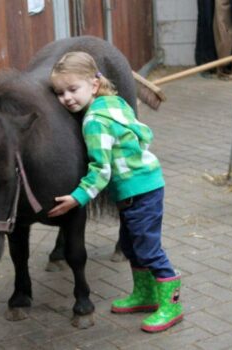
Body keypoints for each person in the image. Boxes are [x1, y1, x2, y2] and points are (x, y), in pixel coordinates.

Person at [47, 51, 183, 332]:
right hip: (144, 186)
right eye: (60, 93)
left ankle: (172, 305)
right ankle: (144, 295)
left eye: (73, 89)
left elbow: (101, 170)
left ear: (93, 85)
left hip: (139, 189)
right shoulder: (114, 102)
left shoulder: (94, 121)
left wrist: (78, 197)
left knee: (149, 249)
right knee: (131, 244)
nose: (67, 98)